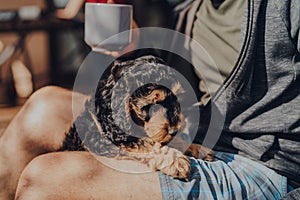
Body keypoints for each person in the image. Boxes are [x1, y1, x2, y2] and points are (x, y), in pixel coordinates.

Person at [1, 0, 300, 199]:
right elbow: (163, 93)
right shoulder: (191, 7)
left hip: (265, 167)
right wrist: (129, 51)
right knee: (43, 106)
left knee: (43, 180)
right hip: (192, 134)